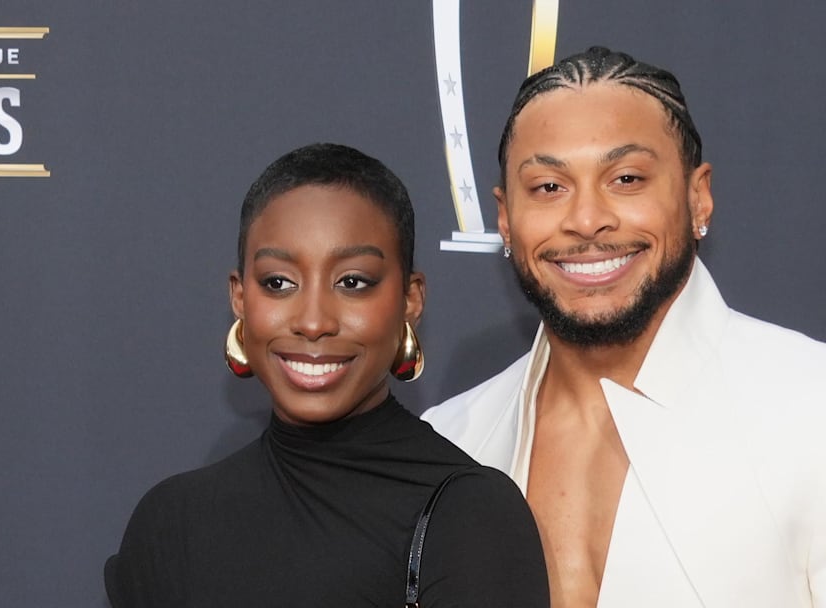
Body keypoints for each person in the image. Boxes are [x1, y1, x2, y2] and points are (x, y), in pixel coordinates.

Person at [423, 47, 826, 607]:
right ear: (505, 217)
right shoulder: (452, 438)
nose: (586, 220)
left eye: (626, 178)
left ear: (697, 196)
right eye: (548, 187)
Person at [105, 143, 549, 607]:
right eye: (279, 283)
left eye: (352, 282)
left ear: (410, 300)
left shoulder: (470, 517)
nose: (314, 321)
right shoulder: (171, 522)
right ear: (240, 297)